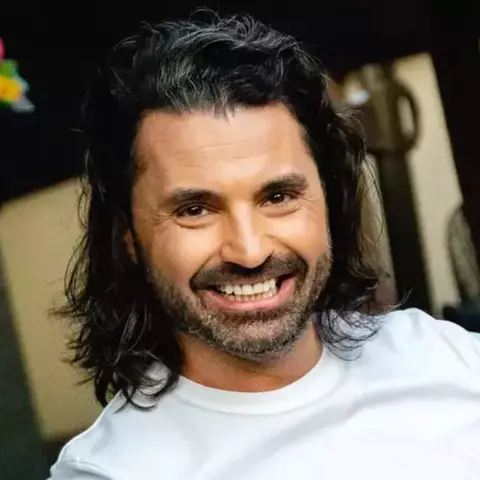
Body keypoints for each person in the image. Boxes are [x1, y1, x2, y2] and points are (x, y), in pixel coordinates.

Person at [49, 13, 480, 480]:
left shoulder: (448, 359)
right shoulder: (109, 471)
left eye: (278, 198)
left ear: (329, 202)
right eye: (195, 209)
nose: (250, 251)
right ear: (127, 238)